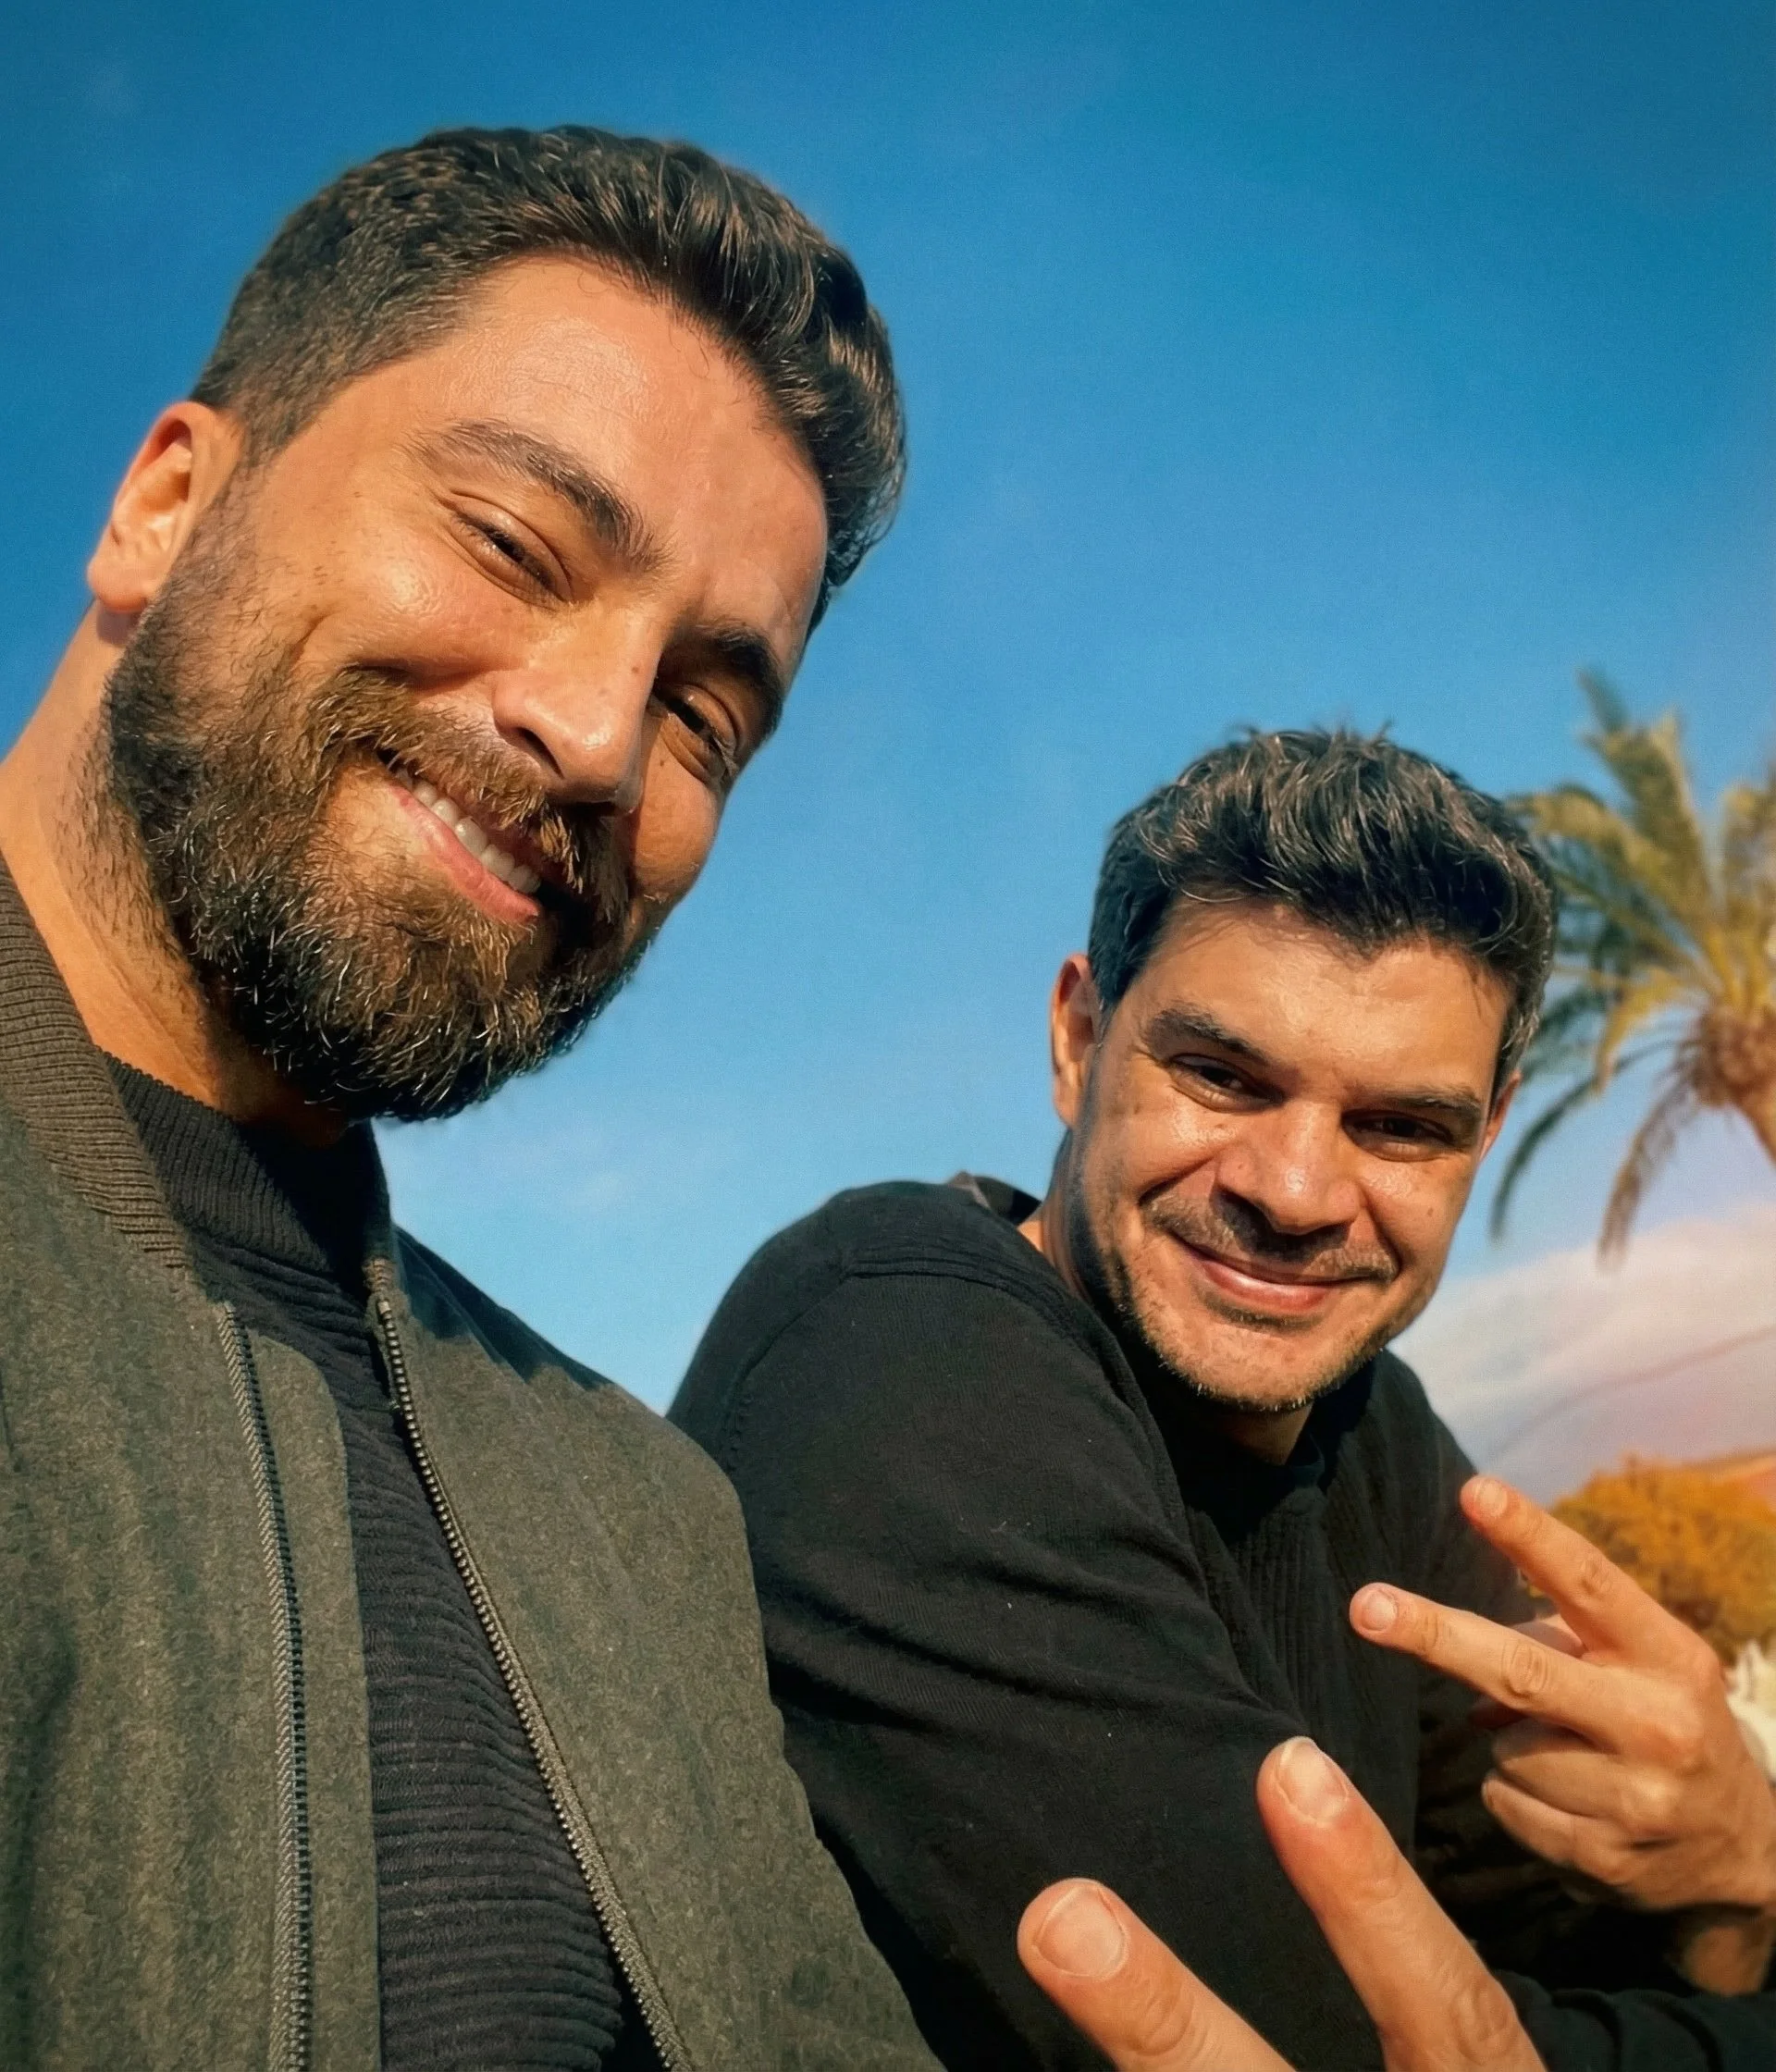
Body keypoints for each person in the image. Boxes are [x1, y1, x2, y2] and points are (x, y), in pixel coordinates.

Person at [0, 122, 941, 2071]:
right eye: (516, 544)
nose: (597, 737)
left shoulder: (644, 1523)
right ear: (167, 502)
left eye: (705, 714)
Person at [672, 730, 1776, 2069]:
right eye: (1223, 1076)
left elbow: (1522, 1952)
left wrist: (1733, 1881)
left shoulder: (1376, 1433)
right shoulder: (888, 1355)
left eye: (1400, 1127)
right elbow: (1339, 2033)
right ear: (1081, 1039)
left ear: (1485, 1139)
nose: (1297, 1192)